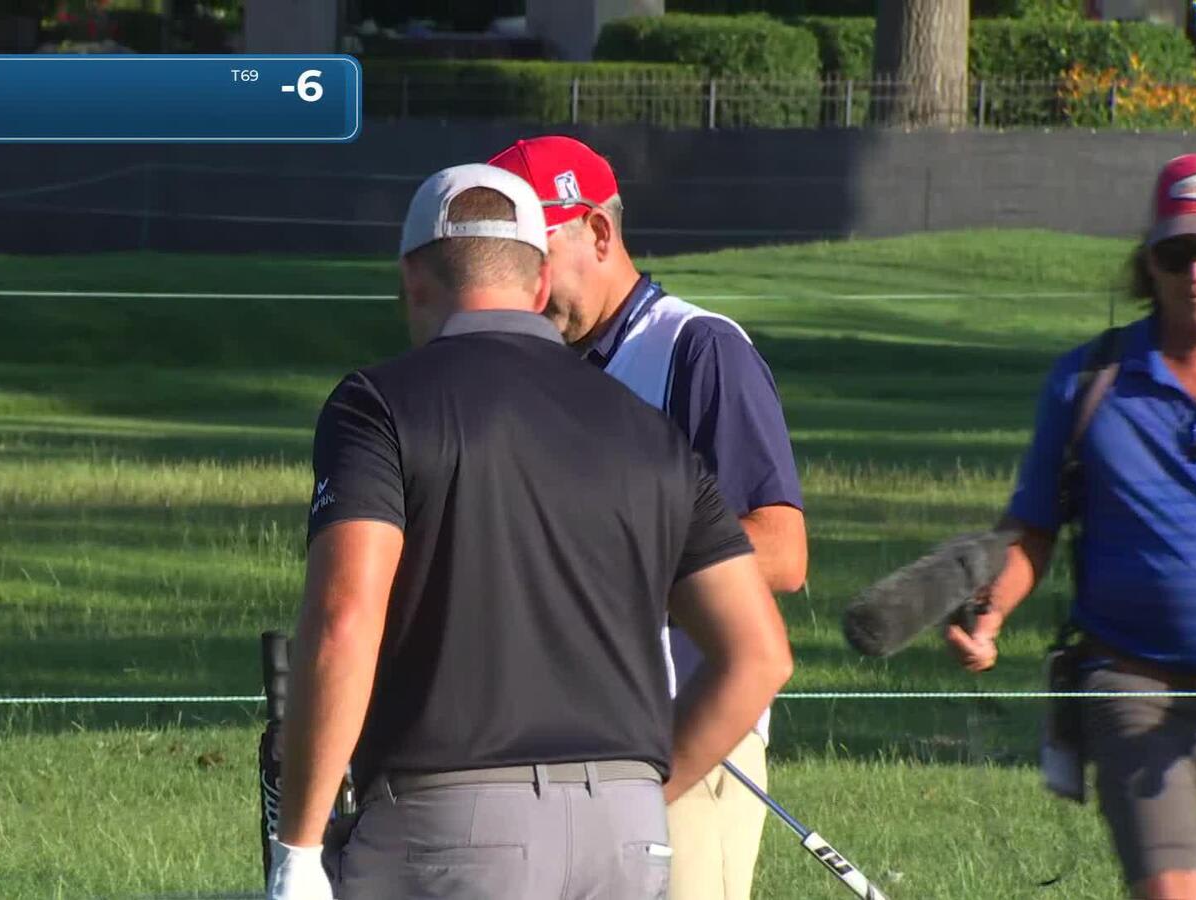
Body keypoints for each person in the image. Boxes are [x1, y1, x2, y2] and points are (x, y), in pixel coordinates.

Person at [267, 162, 794, 900]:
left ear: (413, 279)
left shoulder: (378, 405)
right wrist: (649, 788)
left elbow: (343, 618)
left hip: (451, 823)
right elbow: (761, 656)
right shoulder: (646, 429)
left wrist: (298, 846)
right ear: (539, 284)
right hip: (628, 832)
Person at [946, 152, 1196, 900]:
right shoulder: (1091, 382)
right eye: (1178, 253)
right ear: (1149, 262)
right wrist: (991, 612)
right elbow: (1033, 526)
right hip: (1134, 683)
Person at [489, 135, 807, 900]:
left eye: (536, 255)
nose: (520, 287)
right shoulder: (535, 370)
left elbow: (781, 550)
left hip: (688, 751)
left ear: (598, 233)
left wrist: (604, 566)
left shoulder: (698, 349)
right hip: (560, 752)